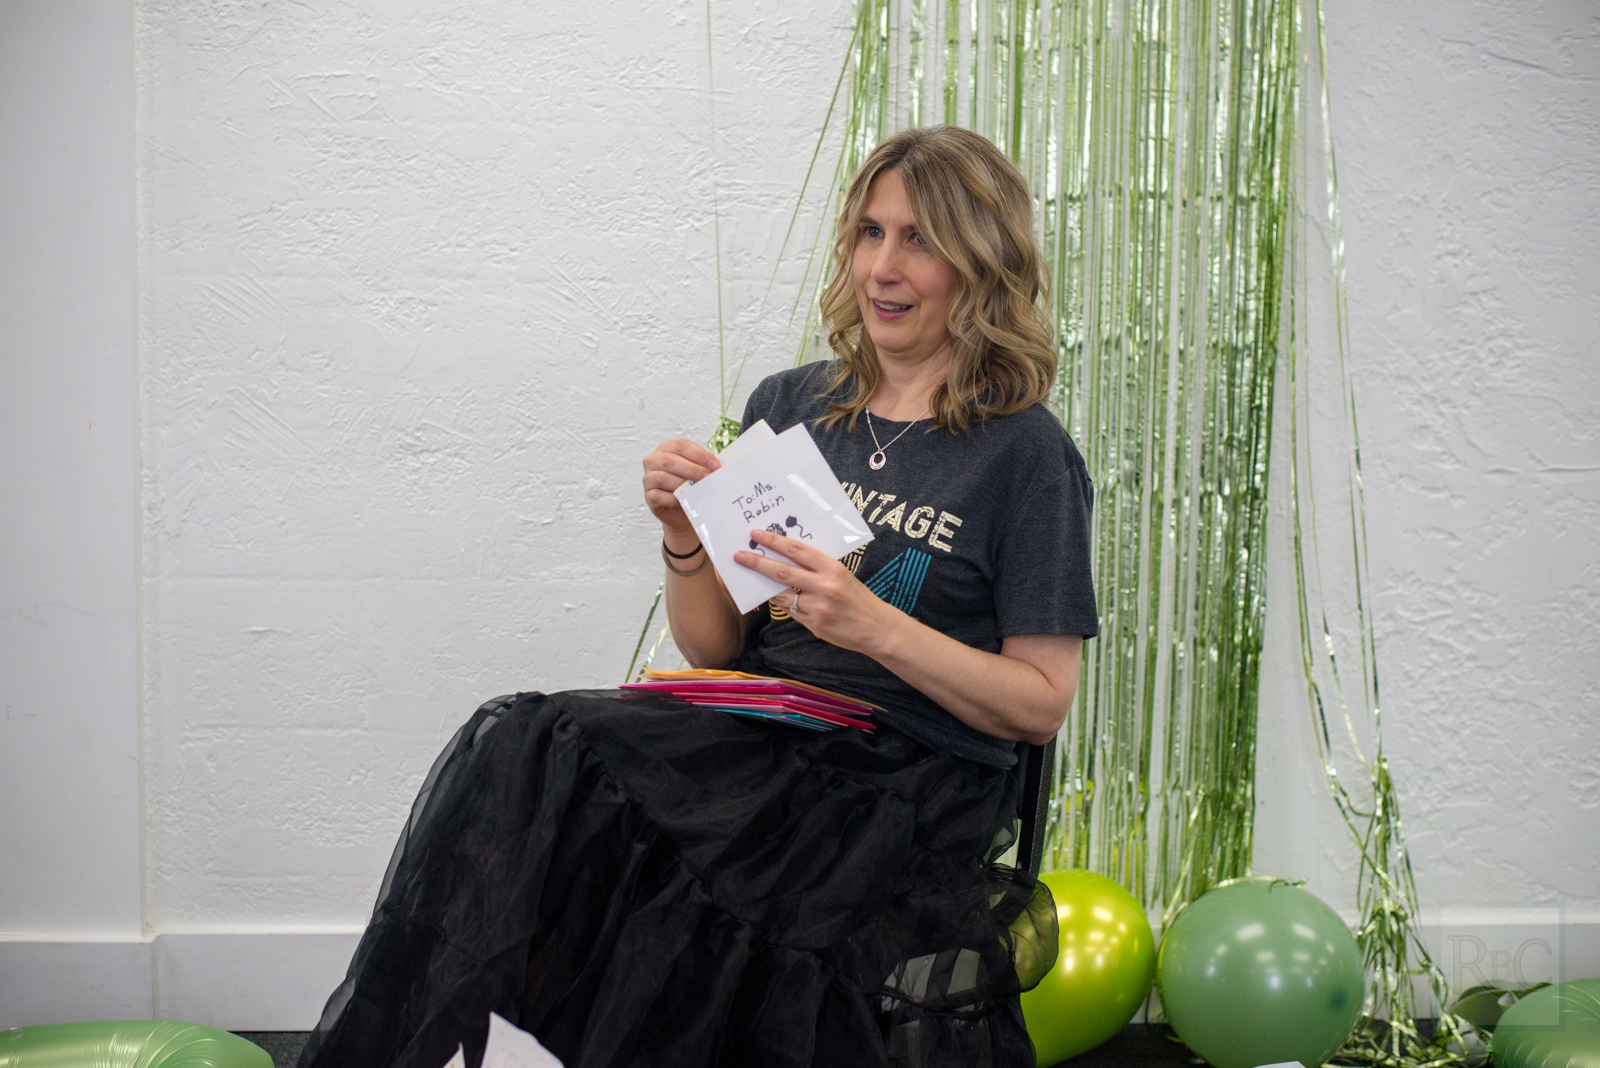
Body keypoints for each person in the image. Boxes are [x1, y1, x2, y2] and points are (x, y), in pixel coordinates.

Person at [298, 125, 1098, 1068]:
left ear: (980, 262)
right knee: (529, 740)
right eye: (870, 233)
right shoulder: (794, 405)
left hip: (905, 778)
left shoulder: (1025, 454)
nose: (883, 267)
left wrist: (873, 626)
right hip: (764, 734)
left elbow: (1039, 705)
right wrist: (683, 533)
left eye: (919, 239)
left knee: (709, 877)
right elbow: (715, 648)